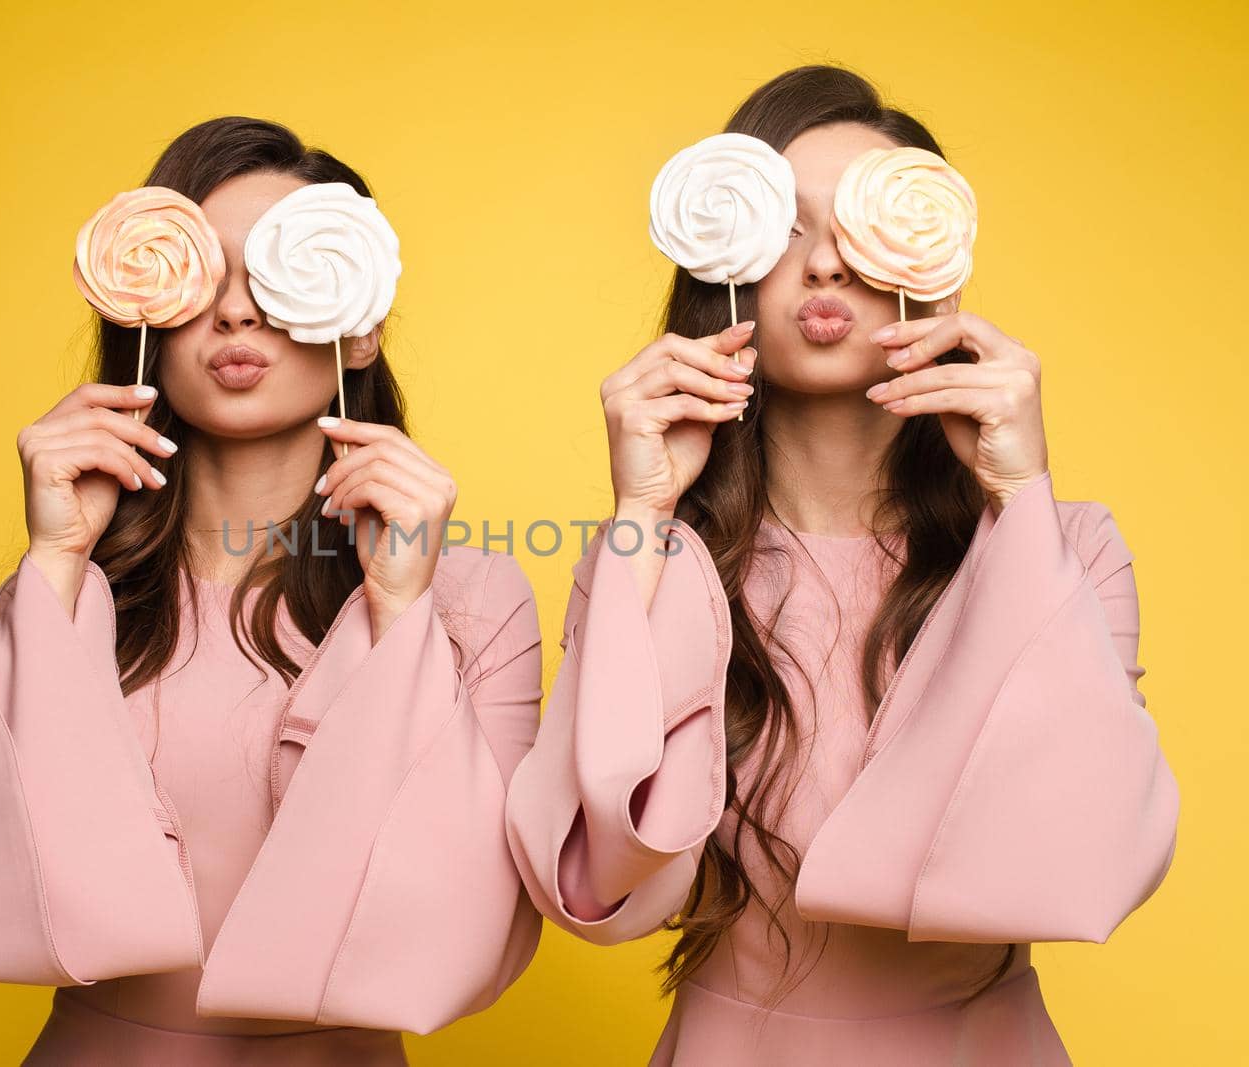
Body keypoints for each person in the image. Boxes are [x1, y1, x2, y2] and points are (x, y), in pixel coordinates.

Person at [504, 65, 1179, 1064]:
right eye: (780, 225)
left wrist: (1021, 494)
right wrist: (641, 512)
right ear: (715, 257)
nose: (822, 266)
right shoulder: (655, 562)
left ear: (931, 254)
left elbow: (1091, 850)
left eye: (861, 227)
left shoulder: (1062, 545)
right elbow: (592, 883)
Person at [0, 116, 543, 1066]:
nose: (237, 315)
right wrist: (54, 561)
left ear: (361, 327)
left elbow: (479, 920)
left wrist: (401, 610)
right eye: (204, 278)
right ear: (144, 311)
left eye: (283, 274)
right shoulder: (68, 585)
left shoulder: (474, 596)